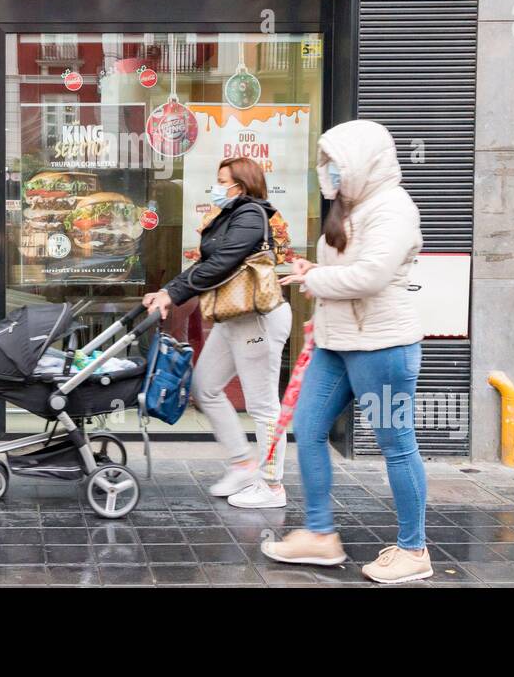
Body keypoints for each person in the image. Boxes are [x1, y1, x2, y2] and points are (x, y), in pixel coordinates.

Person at [261, 119, 431, 583]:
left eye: (337, 164)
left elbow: (372, 276)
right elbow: (350, 269)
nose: (330, 172)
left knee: (396, 445)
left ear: (363, 163)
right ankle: (319, 534)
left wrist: (311, 279)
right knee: (309, 428)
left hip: (382, 347)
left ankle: (414, 549)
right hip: (337, 343)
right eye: (328, 163)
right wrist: (314, 268)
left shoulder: (393, 208)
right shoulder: (352, 207)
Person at [144, 156, 292, 509]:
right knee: (205, 386)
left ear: (239, 185)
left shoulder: (251, 215)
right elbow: (205, 264)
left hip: (257, 318)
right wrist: (168, 292)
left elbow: (222, 262)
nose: (216, 185)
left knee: (262, 404)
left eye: (221, 179)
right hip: (232, 317)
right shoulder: (230, 215)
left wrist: (172, 293)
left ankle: (272, 485)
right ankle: (243, 462)